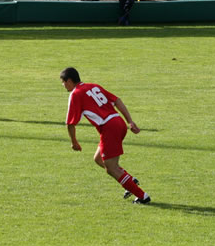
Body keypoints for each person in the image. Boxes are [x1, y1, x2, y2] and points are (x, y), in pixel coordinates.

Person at [60, 67, 151, 204]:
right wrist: (129, 121)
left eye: (63, 82)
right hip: (118, 122)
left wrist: (74, 142)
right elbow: (117, 100)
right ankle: (130, 181)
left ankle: (143, 196)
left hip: (109, 128)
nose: (63, 85)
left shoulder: (75, 94)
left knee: (111, 168)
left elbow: (70, 123)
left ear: (69, 81)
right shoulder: (93, 86)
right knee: (98, 159)